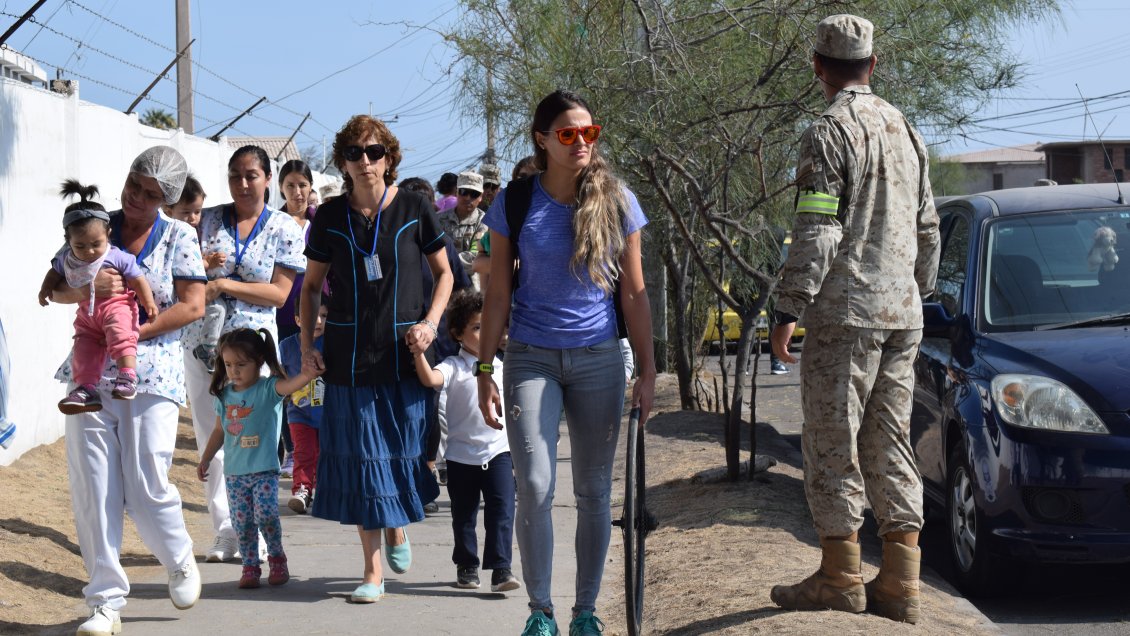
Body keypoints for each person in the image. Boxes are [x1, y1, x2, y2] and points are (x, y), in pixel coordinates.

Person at [767, 14, 940, 625]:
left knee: (832, 443)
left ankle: (841, 577)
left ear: (818, 66)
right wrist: (915, 292)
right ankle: (901, 584)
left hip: (847, 315)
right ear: (873, 64)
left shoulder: (828, 132)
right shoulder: (906, 129)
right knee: (890, 441)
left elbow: (817, 229)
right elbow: (928, 226)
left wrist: (787, 307)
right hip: (902, 313)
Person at [476, 89, 656, 636]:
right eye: (567, 134)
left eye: (589, 133)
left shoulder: (617, 200)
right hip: (530, 356)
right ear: (542, 140)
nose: (581, 142)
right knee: (533, 482)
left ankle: (585, 611)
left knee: (594, 490)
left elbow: (634, 294)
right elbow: (498, 293)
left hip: (599, 357)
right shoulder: (514, 201)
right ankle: (540, 611)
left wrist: (647, 371)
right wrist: (485, 369)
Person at [49, 146, 204, 635]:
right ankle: (105, 600)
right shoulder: (93, 224)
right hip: (91, 373)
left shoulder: (179, 235)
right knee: (92, 485)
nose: (135, 198)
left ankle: (178, 558)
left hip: (150, 372)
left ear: (167, 200)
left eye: (150, 195)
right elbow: (57, 285)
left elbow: (193, 304)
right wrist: (88, 293)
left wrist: (129, 332)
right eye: (134, 186)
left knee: (144, 482)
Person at [299, 114, 453, 604]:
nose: (365, 162)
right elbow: (309, 287)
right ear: (343, 163)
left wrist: (430, 322)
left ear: (389, 157)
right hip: (347, 356)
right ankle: (370, 573)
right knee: (364, 459)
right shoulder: (328, 217)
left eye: (374, 152)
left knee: (404, 456)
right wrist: (306, 346)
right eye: (354, 154)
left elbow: (445, 273)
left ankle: (396, 528)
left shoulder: (414, 207)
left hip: (404, 356)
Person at [185, 145, 306, 564]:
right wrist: (205, 271)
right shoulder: (209, 219)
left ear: (267, 179)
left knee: (250, 436)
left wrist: (224, 285)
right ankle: (226, 529)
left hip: (253, 351)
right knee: (212, 434)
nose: (242, 183)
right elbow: (182, 272)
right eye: (235, 175)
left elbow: (279, 292)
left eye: (251, 175)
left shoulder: (284, 227)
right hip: (204, 344)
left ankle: (254, 526)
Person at [412, 290, 521, 593]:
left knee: (501, 510)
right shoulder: (453, 366)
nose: (486, 332)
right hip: (460, 457)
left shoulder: (503, 365)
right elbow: (430, 381)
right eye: (476, 327)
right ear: (458, 333)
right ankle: (467, 565)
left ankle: (501, 569)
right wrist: (418, 353)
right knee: (464, 516)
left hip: (499, 452)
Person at [197, 328, 321, 589]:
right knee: (242, 522)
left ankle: (276, 557)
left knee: (265, 515)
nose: (234, 371)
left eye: (241, 364)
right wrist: (206, 459)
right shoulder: (224, 395)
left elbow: (292, 384)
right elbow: (219, 430)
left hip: (264, 470)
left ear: (259, 362)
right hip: (235, 473)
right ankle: (250, 565)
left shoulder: (269, 389)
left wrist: (308, 374)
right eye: (228, 364)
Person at [40, 181, 160, 412]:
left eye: (96, 243)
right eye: (81, 246)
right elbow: (54, 272)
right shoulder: (67, 258)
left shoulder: (115, 256)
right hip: (87, 315)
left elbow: (137, 279)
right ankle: (86, 388)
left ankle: (127, 376)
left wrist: (149, 302)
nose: (90, 251)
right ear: (68, 241)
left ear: (108, 234)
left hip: (117, 307)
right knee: (83, 346)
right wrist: (45, 290)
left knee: (121, 334)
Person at [276, 159, 319, 478]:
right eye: (291, 185)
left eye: (302, 185)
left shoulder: (321, 223)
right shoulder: (272, 222)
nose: (297, 192)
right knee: (284, 381)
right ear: (280, 188)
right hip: (281, 314)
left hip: (317, 315)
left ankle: (314, 453)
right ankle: (289, 451)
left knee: (314, 381)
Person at [278, 292, 330, 514]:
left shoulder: (334, 344)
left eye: (324, 316)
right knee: (303, 452)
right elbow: (278, 375)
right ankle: (302, 489)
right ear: (298, 320)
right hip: (299, 413)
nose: (318, 321)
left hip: (330, 413)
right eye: (311, 316)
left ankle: (325, 490)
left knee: (326, 453)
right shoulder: (287, 346)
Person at [438, 171, 487, 289]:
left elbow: (476, 254)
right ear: (457, 192)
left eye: (474, 194)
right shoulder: (439, 219)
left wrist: (444, 261)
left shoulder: (484, 221)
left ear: (480, 197)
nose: (468, 198)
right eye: (464, 192)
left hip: (470, 287)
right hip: (441, 284)